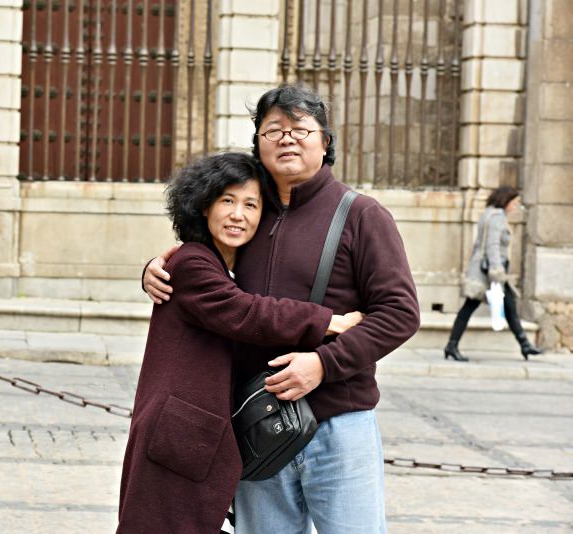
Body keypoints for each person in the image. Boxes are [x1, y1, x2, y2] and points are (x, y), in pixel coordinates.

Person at [143, 84, 421, 533]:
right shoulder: (249, 214)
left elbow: (400, 313)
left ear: (325, 142)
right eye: (273, 130)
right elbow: (207, 269)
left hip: (339, 422)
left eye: (300, 129)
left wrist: (322, 366)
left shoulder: (362, 216)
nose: (287, 138)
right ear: (258, 144)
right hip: (256, 423)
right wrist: (158, 265)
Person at [117, 152, 363, 533]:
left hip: (193, 440)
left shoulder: (221, 266)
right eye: (227, 201)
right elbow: (247, 313)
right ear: (203, 206)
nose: (238, 214)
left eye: (251, 204)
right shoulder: (192, 262)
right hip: (177, 438)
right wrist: (328, 320)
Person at [444, 186, 543, 362]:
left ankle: (524, 344)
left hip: (488, 271)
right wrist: (497, 271)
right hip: (489, 273)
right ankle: (452, 345)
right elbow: (492, 246)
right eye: (515, 203)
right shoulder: (497, 217)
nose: (515, 207)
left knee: (508, 306)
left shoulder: (488, 214)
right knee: (470, 307)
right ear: (506, 200)